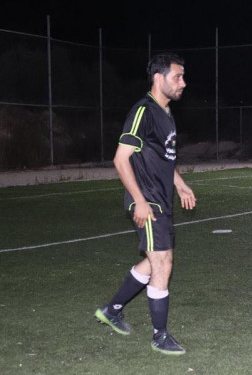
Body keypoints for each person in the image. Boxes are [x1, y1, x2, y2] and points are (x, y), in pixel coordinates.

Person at [94, 53, 196, 356]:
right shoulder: (144, 111)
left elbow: (162, 158)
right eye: (177, 77)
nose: (183, 83)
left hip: (161, 200)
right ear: (158, 78)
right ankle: (159, 335)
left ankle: (112, 309)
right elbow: (120, 159)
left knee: (156, 262)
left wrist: (179, 183)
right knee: (163, 263)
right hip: (148, 201)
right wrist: (139, 201)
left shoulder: (166, 114)